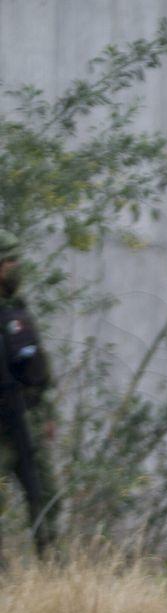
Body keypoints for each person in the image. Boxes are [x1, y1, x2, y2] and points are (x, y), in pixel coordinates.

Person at [0, 230, 54, 559]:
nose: (16, 266)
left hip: (26, 418)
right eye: (10, 260)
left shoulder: (17, 309)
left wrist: (46, 412)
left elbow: (38, 367)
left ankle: (54, 572)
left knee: (45, 498)